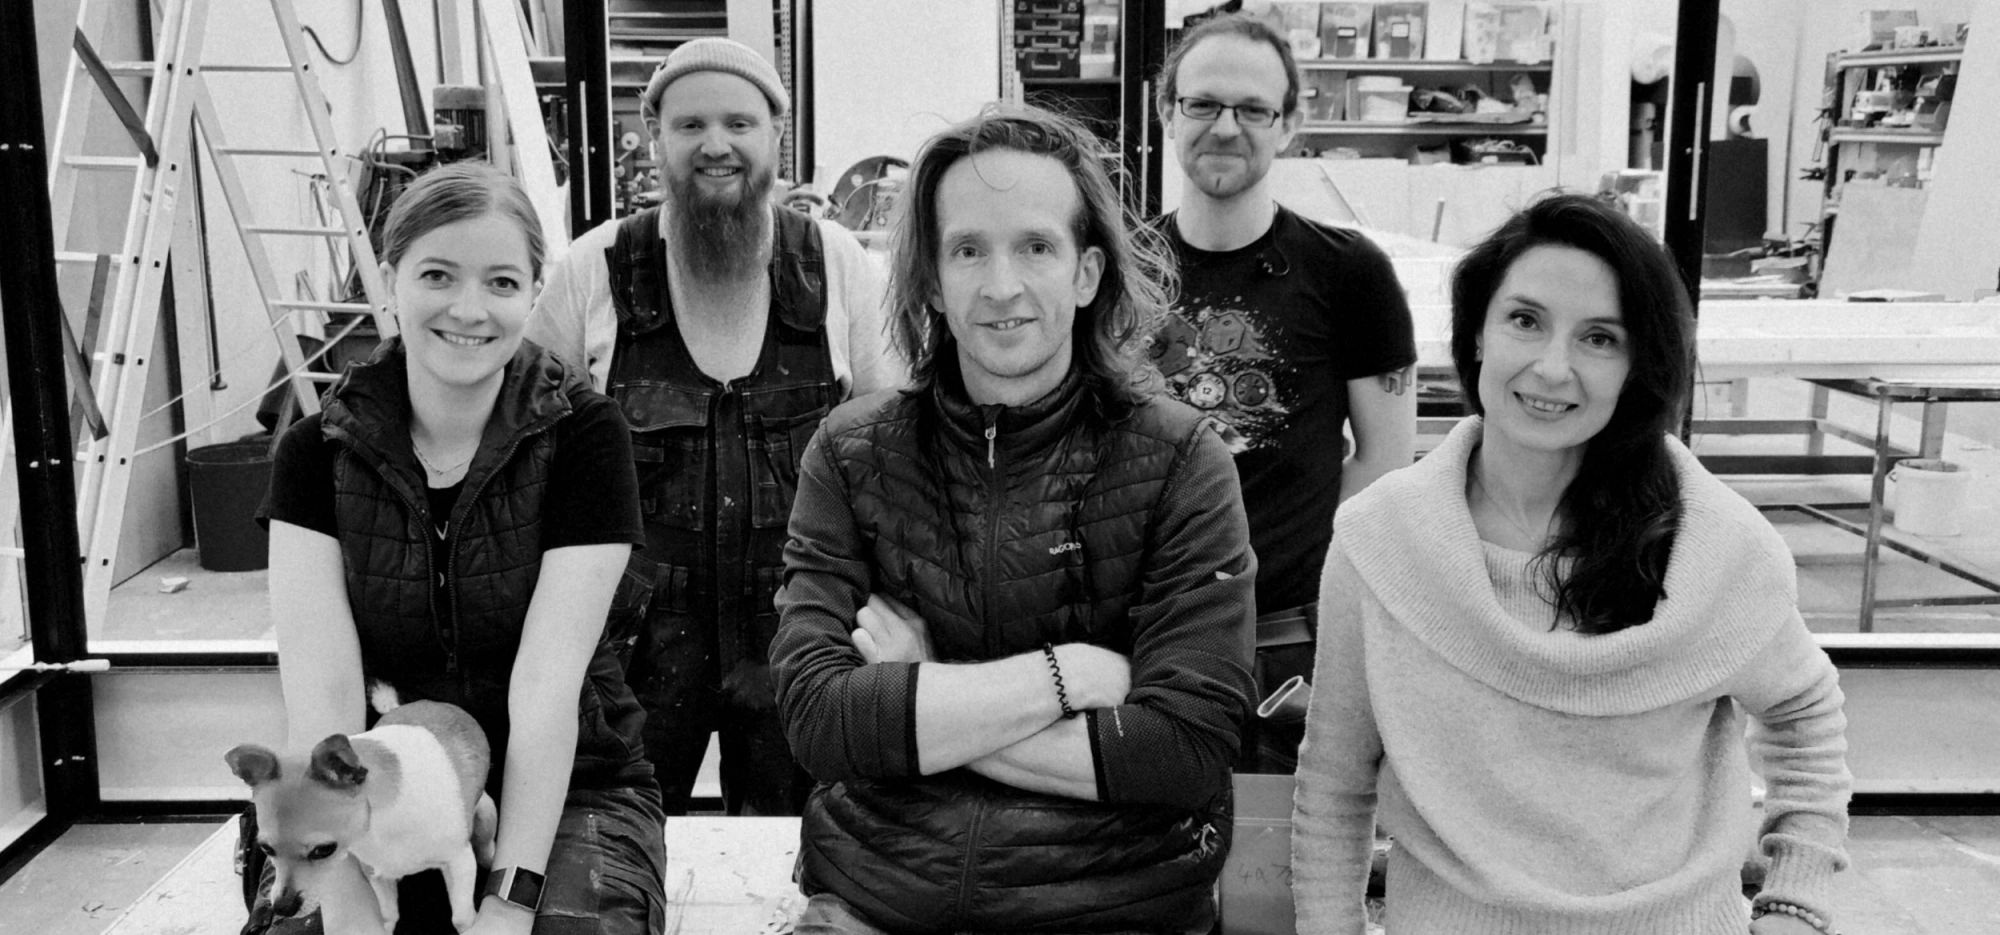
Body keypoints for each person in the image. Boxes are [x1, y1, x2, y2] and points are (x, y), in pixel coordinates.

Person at [1291, 193, 1852, 934]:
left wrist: (1795, 905)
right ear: (1478, 333)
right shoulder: (1381, 542)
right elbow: (1334, 782)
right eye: (1525, 320)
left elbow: (1805, 717)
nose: (1552, 368)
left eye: (1599, 338)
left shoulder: (1714, 544)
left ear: (1636, 365)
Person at [769, 105, 1257, 935]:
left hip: (1113, 905)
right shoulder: (851, 453)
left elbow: (1184, 748)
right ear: (930, 278)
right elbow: (818, 717)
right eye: (968, 250)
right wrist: (1064, 676)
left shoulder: (1180, 459)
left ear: (1087, 273)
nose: (1001, 286)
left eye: (1035, 247)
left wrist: (923, 685)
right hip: (876, 900)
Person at [256, 162, 665, 935]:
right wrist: (344, 900)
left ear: (533, 292)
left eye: (502, 282)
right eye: (437, 275)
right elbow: (324, 692)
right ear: (390, 279)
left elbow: (545, 689)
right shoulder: (314, 453)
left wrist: (509, 899)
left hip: (569, 789)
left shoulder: (585, 439)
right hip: (371, 797)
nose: (469, 309)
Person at [526, 38, 902, 816]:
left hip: (801, 634)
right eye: (691, 125)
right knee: (613, 837)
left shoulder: (837, 266)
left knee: (799, 846)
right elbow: (529, 452)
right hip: (631, 643)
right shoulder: (592, 270)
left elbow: (893, 452)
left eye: (739, 123)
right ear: (655, 135)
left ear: (776, 134)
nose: (716, 145)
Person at [1153, 13, 1417, 769]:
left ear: (1289, 125)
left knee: (1284, 837)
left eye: (1252, 109)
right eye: (1203, 104)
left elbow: (1386, 463)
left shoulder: (1349, 273)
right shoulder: (1121, 271)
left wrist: (1307, 586)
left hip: (1288, 652)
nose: (1224, 127)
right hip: (1146, 640)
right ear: (1168, 112)